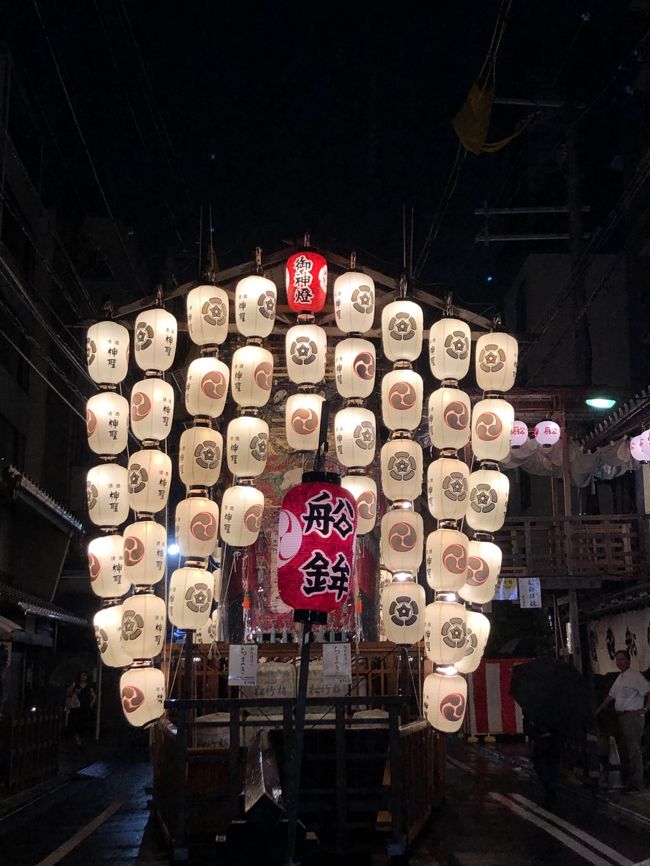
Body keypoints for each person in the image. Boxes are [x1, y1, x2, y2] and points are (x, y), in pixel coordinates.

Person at [596, 650, 650, 791]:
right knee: (624, 750)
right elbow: (610, 696)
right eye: (617, 660)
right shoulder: (620, 678)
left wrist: (645, 708)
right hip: (621, 717)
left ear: (628, 661)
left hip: (632, 716)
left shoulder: (635, 676)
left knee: (634, 750)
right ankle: (630, 780)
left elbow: (648, 691)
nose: (619, 662)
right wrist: (599, 709)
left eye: (622, 659)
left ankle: (638, 783)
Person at [66, 671, 97, 749]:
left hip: (85, 707)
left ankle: (82, 741)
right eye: (82, 675)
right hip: (76, 707)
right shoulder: (76, 685)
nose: (83, 677)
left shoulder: (89, 686)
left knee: (84, 724)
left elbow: (94, 696)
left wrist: (91, 705)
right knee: (75, 724)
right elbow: (68, 693)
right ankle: (76, 740)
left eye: (85, 675)